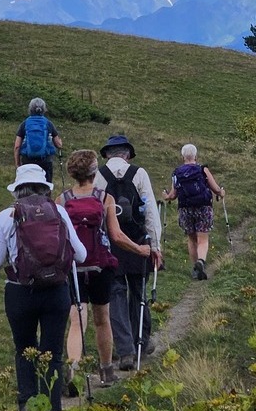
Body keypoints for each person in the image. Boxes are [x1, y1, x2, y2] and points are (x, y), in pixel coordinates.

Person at [0, 163, 87, 411]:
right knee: (52, 352)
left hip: (20, 292)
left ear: (17, 189)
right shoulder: (58, 212)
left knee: (25, 348)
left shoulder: (6, 216)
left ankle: (28, 409)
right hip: (57, 291)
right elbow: (81, 255)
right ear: (44, 188)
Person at [58, 149, 146, 389]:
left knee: (77, 321)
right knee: (102, 320)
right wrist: (140, 250)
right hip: (101, 265)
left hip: (75, 267)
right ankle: (106, 371)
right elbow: (116, 235)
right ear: (94, 172)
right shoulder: (104, 197)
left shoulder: (63, 200)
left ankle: (73, 370)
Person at [95, 135, 163, 371]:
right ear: (127, 155)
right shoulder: (139, 173)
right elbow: (151, 211)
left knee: (115, 295)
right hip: (137, 242)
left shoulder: (99, 176)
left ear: (107, 154)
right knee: (138, 292)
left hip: (110, 243)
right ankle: (141, 342)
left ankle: (125, 351)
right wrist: (155, 246)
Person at [162, 143, 226, 281]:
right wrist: (222, 192)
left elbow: (173, 195)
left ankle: (195, 270)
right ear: (195, 156)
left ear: (183, 157)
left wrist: (165, 196)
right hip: (203, 207)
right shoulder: (202, 170)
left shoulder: (177, 173)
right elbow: (215, 189)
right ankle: (201, 261)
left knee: (191, 239)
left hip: (185, 209)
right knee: (202, 239)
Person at [14, 97, 63, 183]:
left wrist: (18, 164)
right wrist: (60, 143)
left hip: (27, 161)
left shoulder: (24, 124)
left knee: (28, 186)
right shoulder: (48, 123)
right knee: (46, 186)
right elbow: (58, 144)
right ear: (44, 109)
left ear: (30, 109)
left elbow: (17, 146)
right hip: (45, 161)